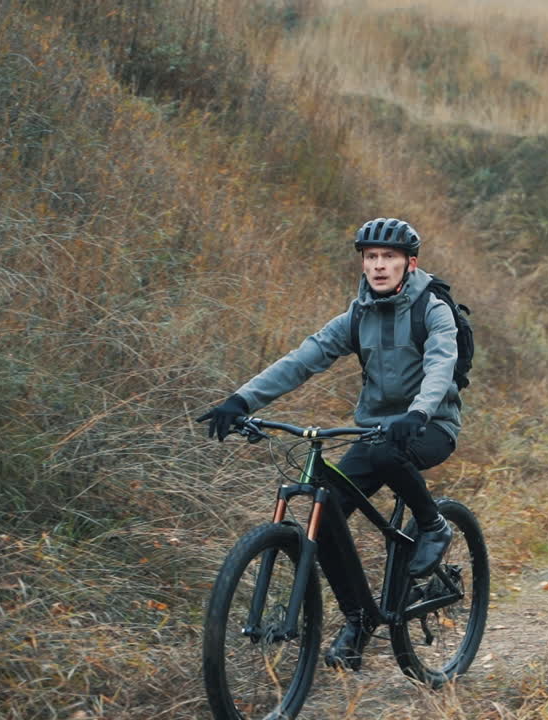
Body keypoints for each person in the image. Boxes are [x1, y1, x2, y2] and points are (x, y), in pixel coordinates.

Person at [197, 217, 462, 671]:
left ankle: (433, 524)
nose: (379, 266)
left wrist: (418, 412)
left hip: (429, 425)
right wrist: (240, 399)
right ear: (363, 263)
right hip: (375, 431)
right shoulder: (358, 314)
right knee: (328, 510)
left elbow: (441, 364)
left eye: (389, 258)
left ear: (409, 263)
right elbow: (305, 358)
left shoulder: (432, 309)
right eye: (371, 257)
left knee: (384, 452)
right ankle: (358, 619)